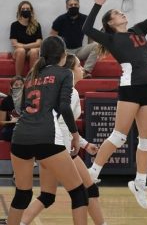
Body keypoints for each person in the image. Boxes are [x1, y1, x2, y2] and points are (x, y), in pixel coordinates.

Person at [82, 0, 147, 209]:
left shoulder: (139, 30)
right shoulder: (110, 39)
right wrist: (96, 5)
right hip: (130, 88)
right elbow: (87, 29)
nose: (123, 14)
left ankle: (140, 183)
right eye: (118, 14)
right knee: (119, 136)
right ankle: (93, 172)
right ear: (111, 22)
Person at [7, 36, 88, 225]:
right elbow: (64, 108)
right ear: (62, 56)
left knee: (23, 194)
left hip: (19, 138)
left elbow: (20, 109)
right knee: (78, 194)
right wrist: (76, 135)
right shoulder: (64, 73)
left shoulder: (31, 75)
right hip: (46, 136)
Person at [21, 54, 105, 225]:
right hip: (60, 150)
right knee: (87, 191)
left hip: (46, 147)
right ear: (70, 71)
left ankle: (18, 223)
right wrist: (75, 146)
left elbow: (62, 125)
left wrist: (85, 144)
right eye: (79, 66)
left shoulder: (55, 89)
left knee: (47, 196)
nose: (82, 68)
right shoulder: (71, 92)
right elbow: (61, 126)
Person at [51, 0, 99, 78]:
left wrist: (89, 47)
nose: (73, 6)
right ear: (67, 7)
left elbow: (90, 35)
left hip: (79, 50)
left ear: (79, 5)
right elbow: (52, 36)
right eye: (71, 5)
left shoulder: (85, 19)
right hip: (65, 51)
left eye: (75, 4)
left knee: (96, 45)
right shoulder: (60, 19)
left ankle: (85, 72)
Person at [10, 1, 42, 76]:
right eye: (23, 9)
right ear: (19, 11)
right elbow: (14, 44)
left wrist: (24, 46)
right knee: (21, 51)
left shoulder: (36, 25)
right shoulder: (14, 25)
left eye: (27, 9)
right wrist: (25, 47)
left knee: (34, 51)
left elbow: (39, 43)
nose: (25, 10)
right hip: (19, 52)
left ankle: (32, 78)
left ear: (31, 10)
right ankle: (18, 78)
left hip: (32, 51)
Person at [0, 76, 24, 142]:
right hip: (11, 127)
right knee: (5, 133)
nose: (19, 87)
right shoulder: (6, 101)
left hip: (25, 126)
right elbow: (1, 122)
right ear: (11, 87)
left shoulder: (28, 99)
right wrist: (12, 121)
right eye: (16, 85)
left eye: (21, 85)